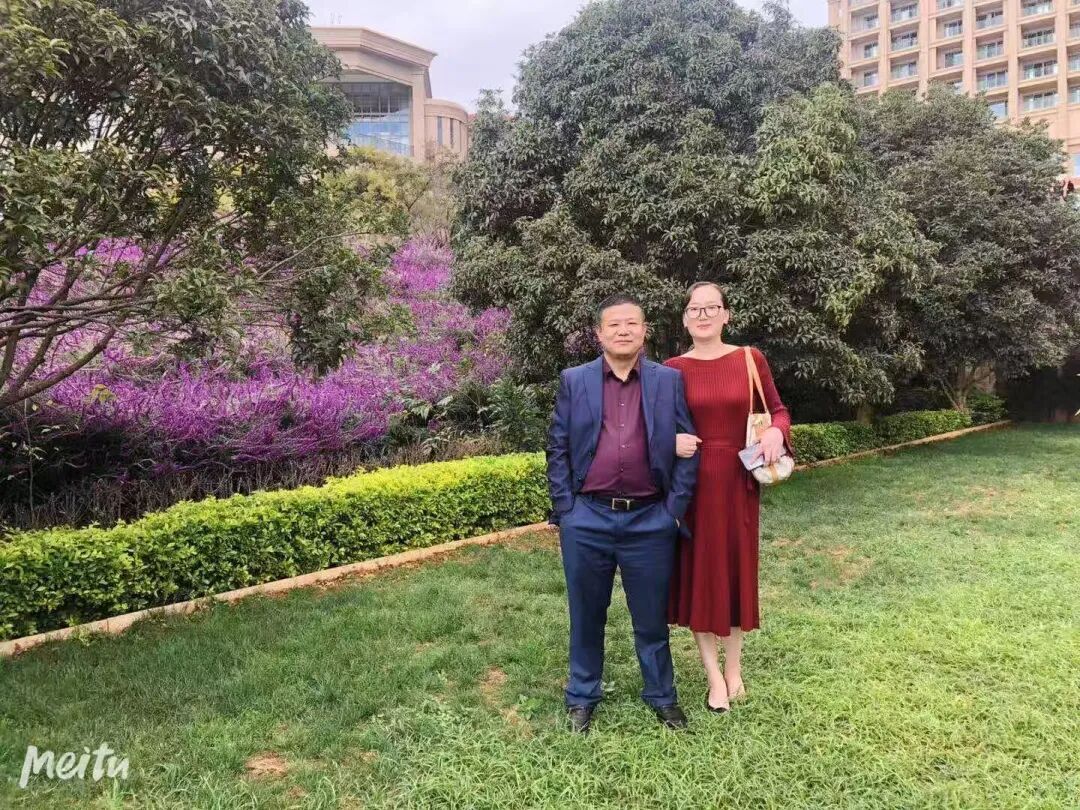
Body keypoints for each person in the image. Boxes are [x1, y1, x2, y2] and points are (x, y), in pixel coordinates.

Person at [546, 293, 700, 733]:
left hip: (650, 520)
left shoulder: (667, 381)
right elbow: (557, 447)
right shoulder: (574, 380)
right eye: (614, 324)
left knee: (650, 617)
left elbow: (689, 446)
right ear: (599, 333)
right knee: (586, 613)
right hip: (587, 519)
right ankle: (582, 695)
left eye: (632, 323)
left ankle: (662, 695)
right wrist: (566, 509)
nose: (623, 330)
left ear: (644, 330)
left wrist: (673, 511)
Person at [665, 281, 792, 713]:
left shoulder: (750, 359)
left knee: (735, 575)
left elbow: (778, 410)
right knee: (700, 579)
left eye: (711, 307)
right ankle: (713, 677)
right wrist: (670, 443)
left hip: (739, 483)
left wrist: (776, 432)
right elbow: (656, 428)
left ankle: (734, 669)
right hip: (691, 486)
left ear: (726, 314)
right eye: (694, 308)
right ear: (685, 318)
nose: (703, 315)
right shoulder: (671, 369)